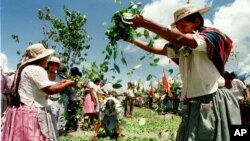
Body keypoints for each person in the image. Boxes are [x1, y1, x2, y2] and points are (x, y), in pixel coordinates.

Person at [122, 2, 241, 141]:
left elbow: (185, 39)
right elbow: (156, 48)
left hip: (213, 98)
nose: (180, 31)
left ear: (197, 21)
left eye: (183, 26)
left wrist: (146, 23)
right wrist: (132, 39)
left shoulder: (208, 37)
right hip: (193, 101)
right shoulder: (180, 47)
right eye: (177, 28)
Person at [1, 43, 76, 141]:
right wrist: (68, 84)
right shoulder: (36, 69)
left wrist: (63, 82)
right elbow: (50, 90)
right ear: (41, 58)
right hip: (31, 111)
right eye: (46, 58)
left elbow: (47, 85)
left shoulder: (24, 68)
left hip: (21, 109)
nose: (47, 60)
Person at [47, 56, 69, 135]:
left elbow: (64, 87)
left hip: (57, 100)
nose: (53, 66)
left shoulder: (60, 77)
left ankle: (56, 135)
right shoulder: (43, 75)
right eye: (51, 64)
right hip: (46, 100)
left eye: (55, 64)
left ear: (58, 66)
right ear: (48, 65)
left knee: (58, 119)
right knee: (49, 120)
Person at [65, 67, 83, 132]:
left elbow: (78, 87)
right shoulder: (72, 79)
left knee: (74, 113)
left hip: (75, 98)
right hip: (73, 98)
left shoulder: (77, 79)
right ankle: (73, 126)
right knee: (73, 113)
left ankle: (74, 127)